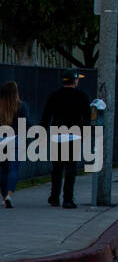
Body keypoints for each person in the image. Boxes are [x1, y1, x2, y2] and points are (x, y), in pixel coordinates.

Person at [41, 69, 90, 209]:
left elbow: (46, 116)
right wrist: (86, 134)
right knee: (70, 167)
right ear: (74, 80)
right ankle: (68, 199)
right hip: (74, 135)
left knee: (57, 167)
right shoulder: (81, 96)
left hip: (57, 134)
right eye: (77, 79)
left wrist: (42, 132)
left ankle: (54, 197)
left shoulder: (54, 96)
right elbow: (86, 118)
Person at [0, 81, 26, 208]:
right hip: (15, 140)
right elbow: (25, 125)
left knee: (3, 170)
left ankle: (4, 197)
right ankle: (9, 195)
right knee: (13, 169)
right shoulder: (21, 106)